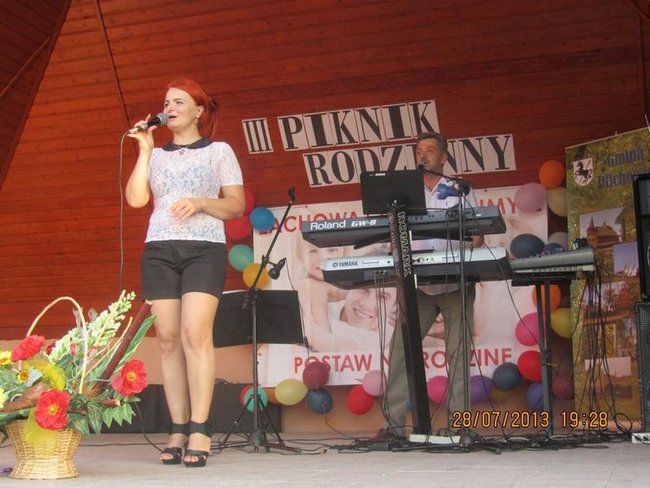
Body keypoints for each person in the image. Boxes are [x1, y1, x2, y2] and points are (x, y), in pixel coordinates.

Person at [125, 78, 245, 467]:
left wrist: (201, 202)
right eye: (166, 103)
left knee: (196, 333)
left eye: (178, 102)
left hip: (204, 249)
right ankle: (177, 428)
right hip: (159, 250)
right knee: (167, 338)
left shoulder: (219, 151)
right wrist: (145, 151)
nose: (170, 108)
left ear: (198, 111)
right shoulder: (156, 155)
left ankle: (200, 427)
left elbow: (236, 205)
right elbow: (137, 199)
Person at [378, 131, 483, 439]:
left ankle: (460, 426)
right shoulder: (403, 193)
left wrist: (465, 247)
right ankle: (394, 427)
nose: (422, 155)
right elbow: (393, 239)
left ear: (444, 157)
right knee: (402, 353)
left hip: (455, 285)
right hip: (417, 287)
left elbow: (478, 236)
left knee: (458, 354)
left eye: (430, 150)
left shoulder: (460, 190)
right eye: (418, 151)